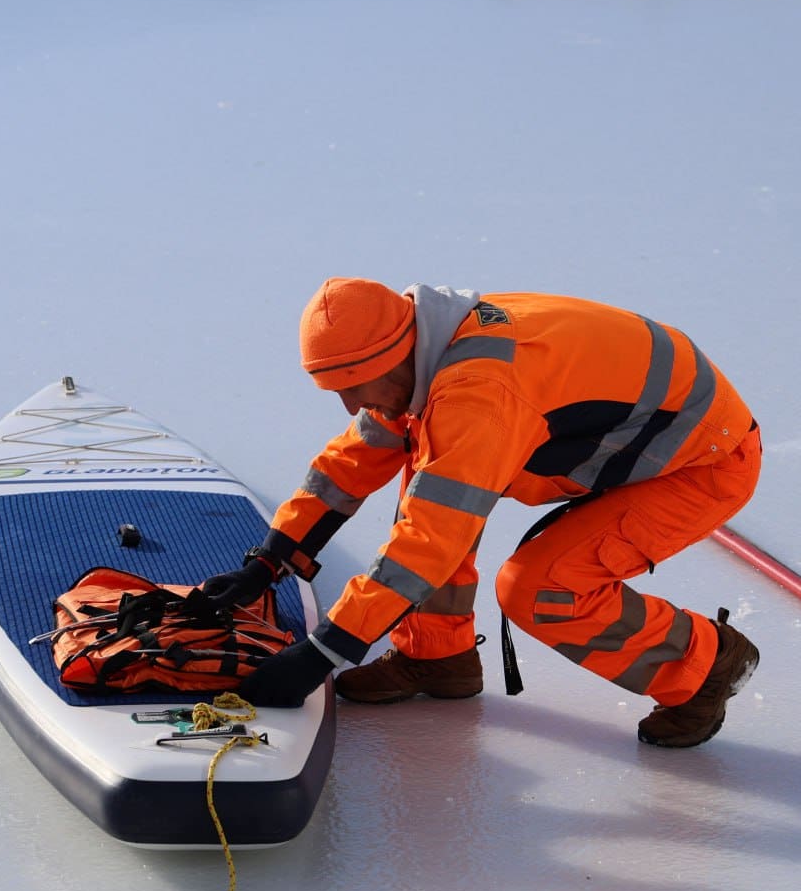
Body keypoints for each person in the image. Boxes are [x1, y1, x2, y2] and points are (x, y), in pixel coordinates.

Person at [204, 278, 763, 748]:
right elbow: (352, 462)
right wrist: (269, 561)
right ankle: (437, 655)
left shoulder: (478, 393)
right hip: (635, 430)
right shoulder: (424, 347)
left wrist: (319, 656)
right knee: (429, 464)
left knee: (539, 588)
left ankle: (703, 662)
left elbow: (429, 540)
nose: (351, 406)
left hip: (702, 461)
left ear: (391, 356)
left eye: (353, 387)